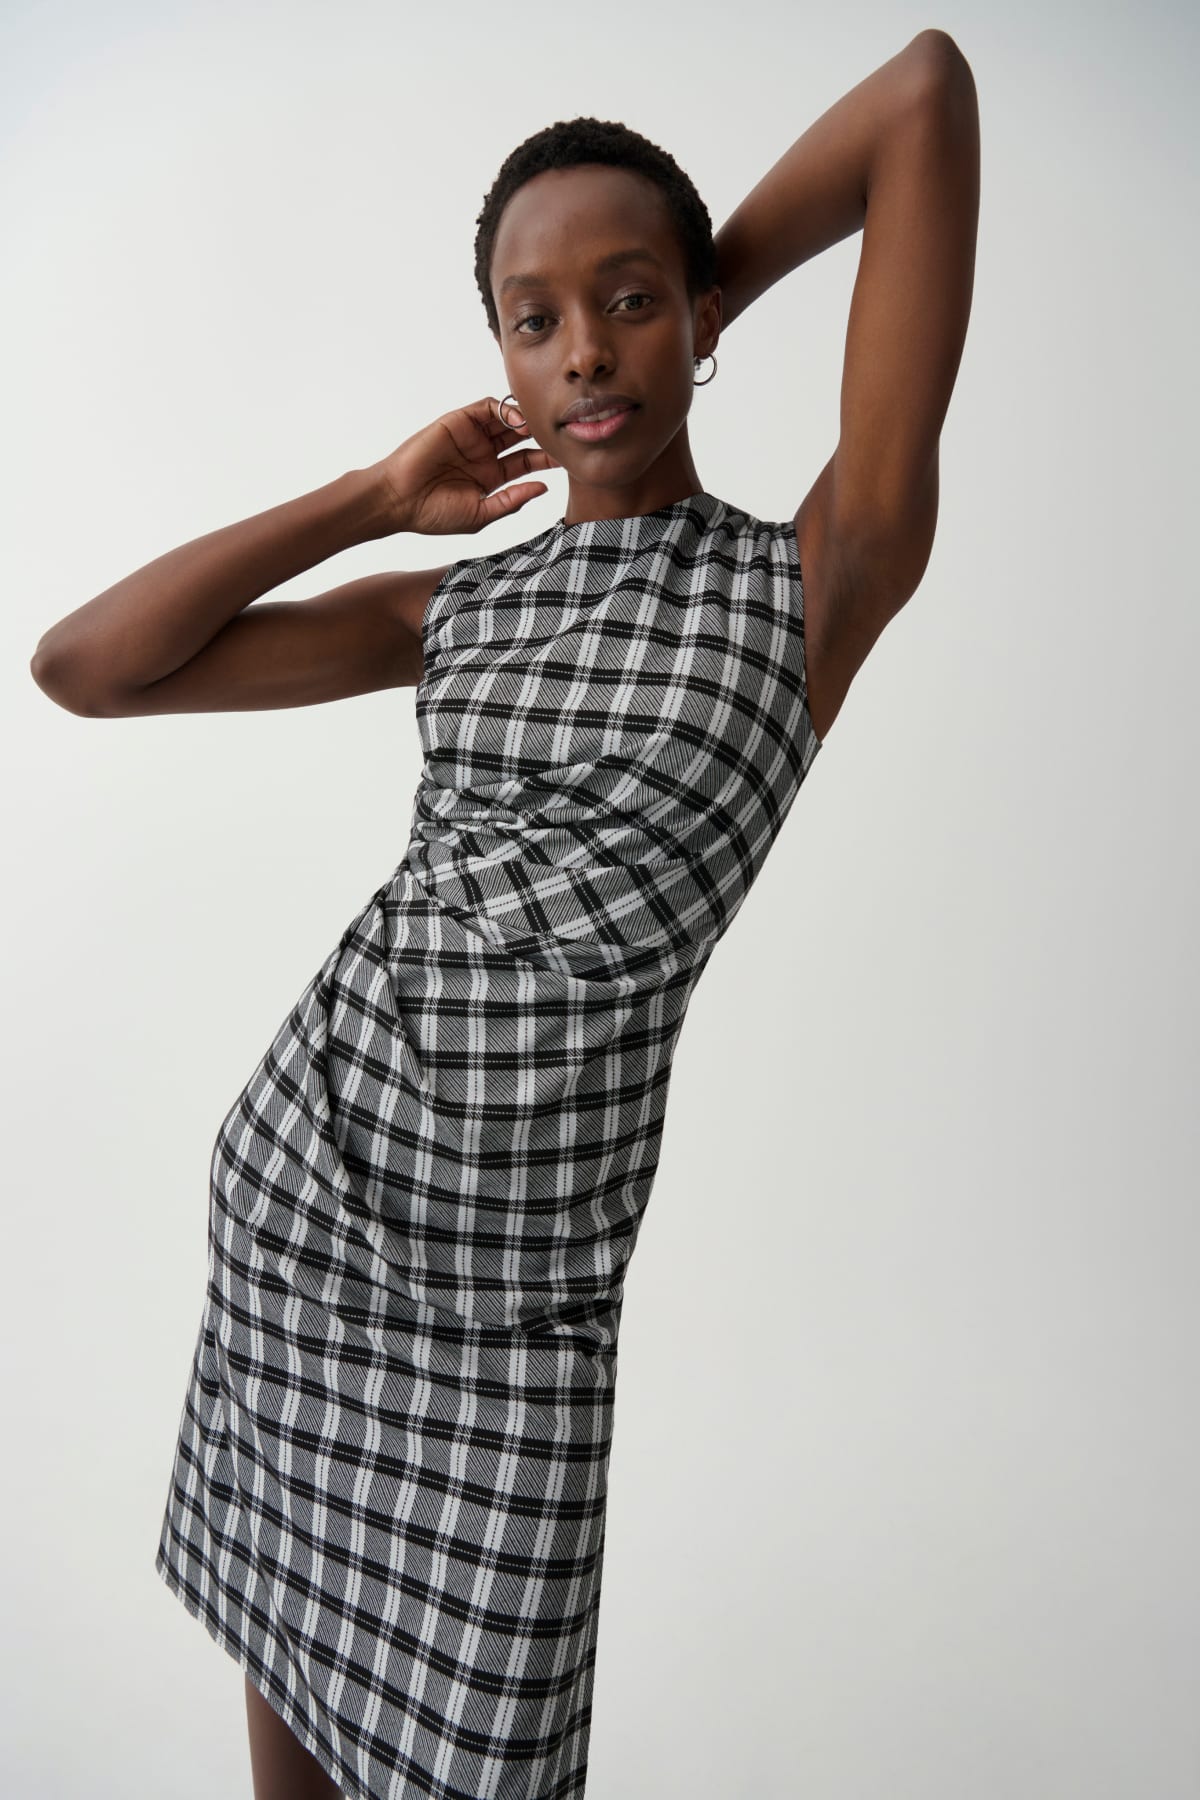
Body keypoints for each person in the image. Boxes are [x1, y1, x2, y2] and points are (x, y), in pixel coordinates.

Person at [29, 29, 979, 1800]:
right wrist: (375, 499)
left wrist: (705, 298)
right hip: (306, 1229)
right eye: (532, 323)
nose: (582, 351)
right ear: (494, 361)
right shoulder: (451, 612)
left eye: (624, 303)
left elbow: (921, 94)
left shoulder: (814, 581)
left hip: (522, 1323)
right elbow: (85, 668)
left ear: (693, 313)